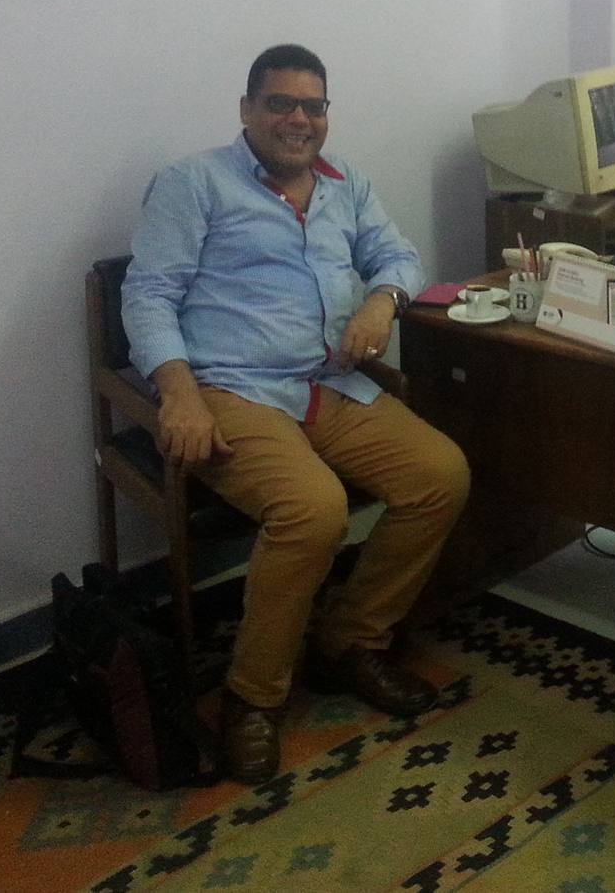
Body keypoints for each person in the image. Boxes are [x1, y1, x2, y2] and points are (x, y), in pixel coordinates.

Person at [122, 43, 470, 784]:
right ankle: (252, 697)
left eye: (313, 106)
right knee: (314, 510)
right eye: (281, 103)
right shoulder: (193, 183)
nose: (299, 119)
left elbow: (401, 257)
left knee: (441, 475)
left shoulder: (347, 184)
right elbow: (148, 294)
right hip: (231, 391)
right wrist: (177, 393)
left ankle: (348, 642)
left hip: (328, 382)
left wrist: (382, 302)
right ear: (247, 110)